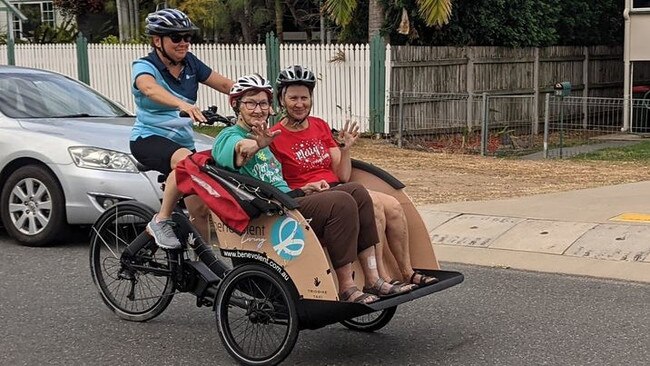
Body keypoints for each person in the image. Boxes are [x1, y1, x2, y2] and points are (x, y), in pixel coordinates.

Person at [212, 74, 411, 303]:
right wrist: (257, 144)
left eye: (263, 103)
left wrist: (306, 188)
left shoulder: (267, 136)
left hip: (288, 199)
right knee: (341, 202)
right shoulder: (229, 137)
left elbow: (281, 180)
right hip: (271, 211)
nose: (258, 110)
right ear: (236, 105)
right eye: (250, 103)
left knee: (357, 191)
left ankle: (373, 279)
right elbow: (241, 151)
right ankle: (347, 287)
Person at [269, 65, 438, 287]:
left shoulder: (320, 126)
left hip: (338, 187)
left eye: (305, 97)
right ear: (282, 100)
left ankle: (406, 271)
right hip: (311, 196)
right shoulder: (274, 137)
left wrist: (346, 148)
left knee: (394, 206)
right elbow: (275, 180)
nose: (300, 104)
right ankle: (379, 278)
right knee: (374, 204)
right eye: (293, 98)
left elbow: (344, 175)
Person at [129, 8, 234, 249]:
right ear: (158, 41)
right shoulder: (145, 66)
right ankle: (161, 220)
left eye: (187, 37)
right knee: (187, 163)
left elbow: (226, 84)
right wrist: (182, 105)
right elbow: (149, 89)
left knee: (200, 207)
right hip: (149, 139)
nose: (184, 43)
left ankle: (203, 266)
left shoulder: (191, 64)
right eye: (176, 38)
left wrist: (257, 97)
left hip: (182, 144)